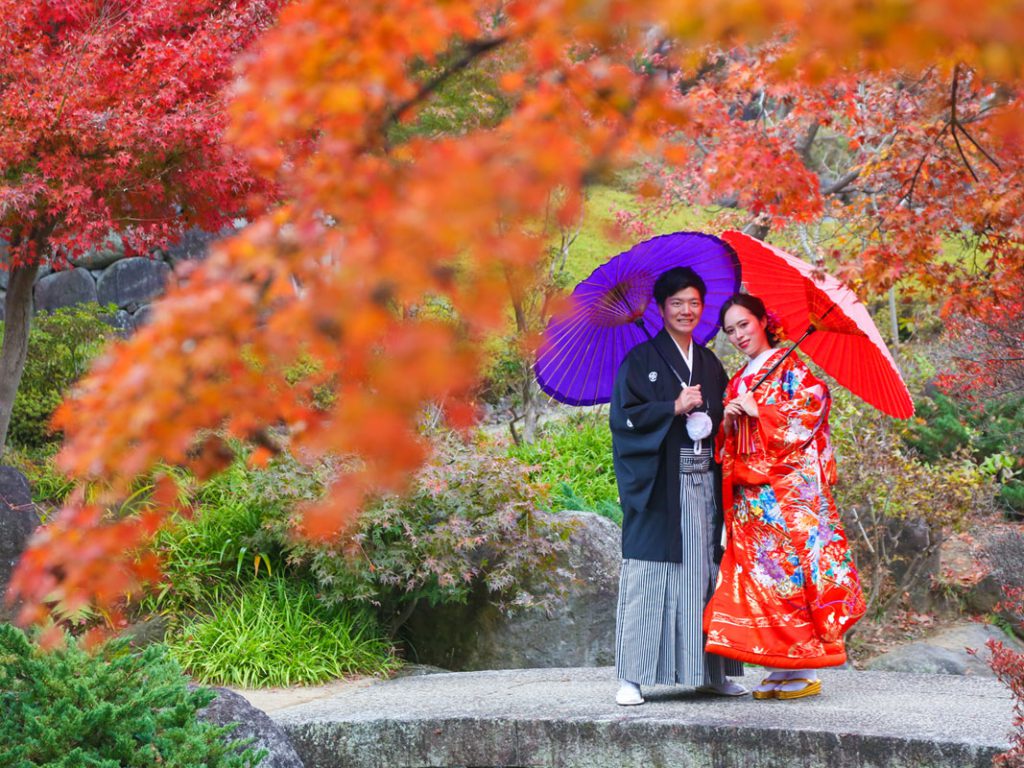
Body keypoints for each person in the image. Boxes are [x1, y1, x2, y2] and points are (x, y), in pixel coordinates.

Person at [704, 292, 866, 700]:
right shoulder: (741, 379)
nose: (739, 335)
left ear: (763, 321)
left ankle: (806, 666)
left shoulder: (790, 365)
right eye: (730, 331)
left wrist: (763, 412)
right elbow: (727, 443)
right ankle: (780, 665)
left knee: (792, 577)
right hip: (750, 502)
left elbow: (814, 406)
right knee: (763, 583)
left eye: (744, 324)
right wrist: (728, 418)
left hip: (785, 498)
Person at [610, 266, 746, 706]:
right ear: (662, 308)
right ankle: (631, 677)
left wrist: (727, 417)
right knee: (651, 578)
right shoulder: (640, 361)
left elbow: (720, 423)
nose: (686, 310)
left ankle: (712, 673)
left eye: (694, 303)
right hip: (660, 488)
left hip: (705, 483)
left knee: (706, 575)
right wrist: (672, 405)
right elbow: (623, 420)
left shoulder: (708, 361)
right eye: (677, 303)